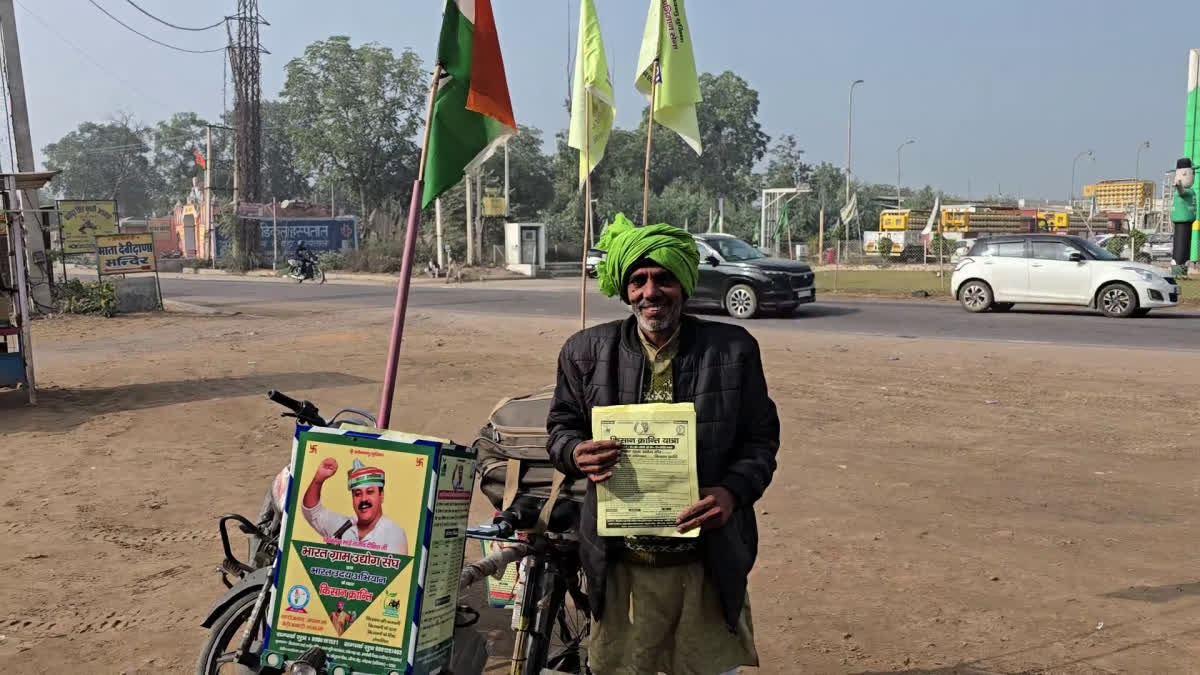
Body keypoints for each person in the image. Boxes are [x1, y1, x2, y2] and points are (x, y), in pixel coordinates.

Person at [547, 213, 779, 675]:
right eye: (638, 280)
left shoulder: (733, 350)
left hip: (704, 564)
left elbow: (761, 440)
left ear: (685, 284)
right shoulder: (585, 352)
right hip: (622, 567)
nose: (650, 292)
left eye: (664, 278)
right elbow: (560, 428)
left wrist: (731, 492)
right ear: (624, 287)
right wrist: (575, 452)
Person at [302, 458, 409, 554]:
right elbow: (312, 513)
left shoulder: (394, 533)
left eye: (370, 492)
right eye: (357, 494)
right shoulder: (342, 526)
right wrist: (318, 480)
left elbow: (395, 574)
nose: (363, 499)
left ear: (381, 496)